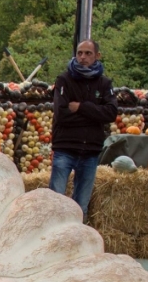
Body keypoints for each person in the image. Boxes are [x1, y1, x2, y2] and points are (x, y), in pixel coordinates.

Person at [48, 40, 118, 220]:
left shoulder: (104, 83)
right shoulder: (64, 80)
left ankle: (77, 241)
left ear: (97, 56)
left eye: (88, 53)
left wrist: (81, 107)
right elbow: (62, 114)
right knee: (55, 201)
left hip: (90, 151)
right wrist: (95, 115)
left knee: (81, 206)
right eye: (79, 53)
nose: (82, 57)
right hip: (65, 147)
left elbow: (110, 113)